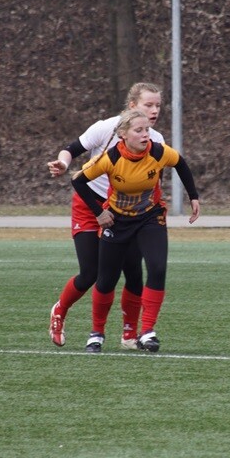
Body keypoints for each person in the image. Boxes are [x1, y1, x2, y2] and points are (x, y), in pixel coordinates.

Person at [46, 83, 165, 349]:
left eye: (158, 105)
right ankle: (60, 310)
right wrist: (63, 163)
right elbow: (70, 150)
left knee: (133, 271)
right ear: (132, 106)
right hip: (89, 205)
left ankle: (129, 335)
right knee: (91, 273)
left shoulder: (156, 139)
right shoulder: (106, 128)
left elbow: (155, 179)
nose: (154, 110)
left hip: (125, 210)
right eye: (148, 105)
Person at [70, 108, 200, 353]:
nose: (145, 135)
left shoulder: (158, 152)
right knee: (106, 280)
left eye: (147, 130)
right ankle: (96, 333)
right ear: (123, 134)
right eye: (138, 130)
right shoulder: (110, 158)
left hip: (150, 218)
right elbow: (78, 180)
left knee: (157, 268)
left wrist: (193, 196)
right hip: (117, 221)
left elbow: (180, 163)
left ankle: (147, 331)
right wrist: (99, 213)